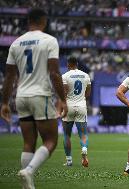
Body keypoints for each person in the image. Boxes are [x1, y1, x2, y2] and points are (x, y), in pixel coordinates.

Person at [0, 8, 67, 189]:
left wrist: (4, 102)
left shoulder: (16, 43)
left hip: (21, 97)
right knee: (51, 141)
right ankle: (28, 171)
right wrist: (62, 98)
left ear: (28, 21)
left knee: (28, 142)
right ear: (44, 21)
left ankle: (26, 185)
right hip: (40, 95)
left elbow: (9, 77)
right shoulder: (49, 41)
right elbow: (54, 73)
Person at [61, 57, 91, 167]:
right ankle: (84, 148)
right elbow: (88, 93)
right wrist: (81, 99)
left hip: (69, 106)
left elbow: (63, 93)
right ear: (77, 64)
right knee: (83, 134)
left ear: (68, 64)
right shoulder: (86, 75)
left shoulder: (65, 76)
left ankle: (69, 160)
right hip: (82, 106)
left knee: (66, 135)